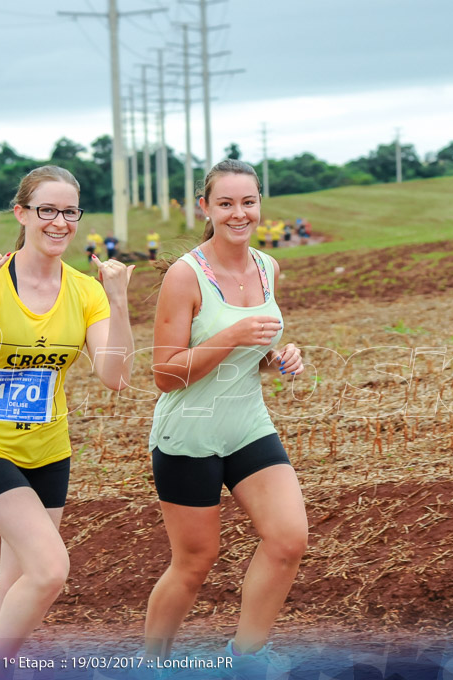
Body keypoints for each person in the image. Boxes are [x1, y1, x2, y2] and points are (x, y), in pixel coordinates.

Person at [0, 165, 135, 662]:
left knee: (13, 585)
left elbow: (115, 375)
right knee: (48, 571)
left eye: (70, 212)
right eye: (47, 210)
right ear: (22, 213)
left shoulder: (85, 291)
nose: (59, 222)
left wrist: (118, 300)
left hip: (48, 450)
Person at [144, 159, 307, 672]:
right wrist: (228, 337)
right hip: (188, 434)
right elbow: (165, 374)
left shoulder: (268, 267)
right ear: (205, 208)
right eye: (226, 203)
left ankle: (247, 659)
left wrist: (279, 356)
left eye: (249, 202)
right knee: (194, 564)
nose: (240, 213)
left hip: (247, 425)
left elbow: (254, 350)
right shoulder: (184, 275)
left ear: (260, 204)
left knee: (288, 539)